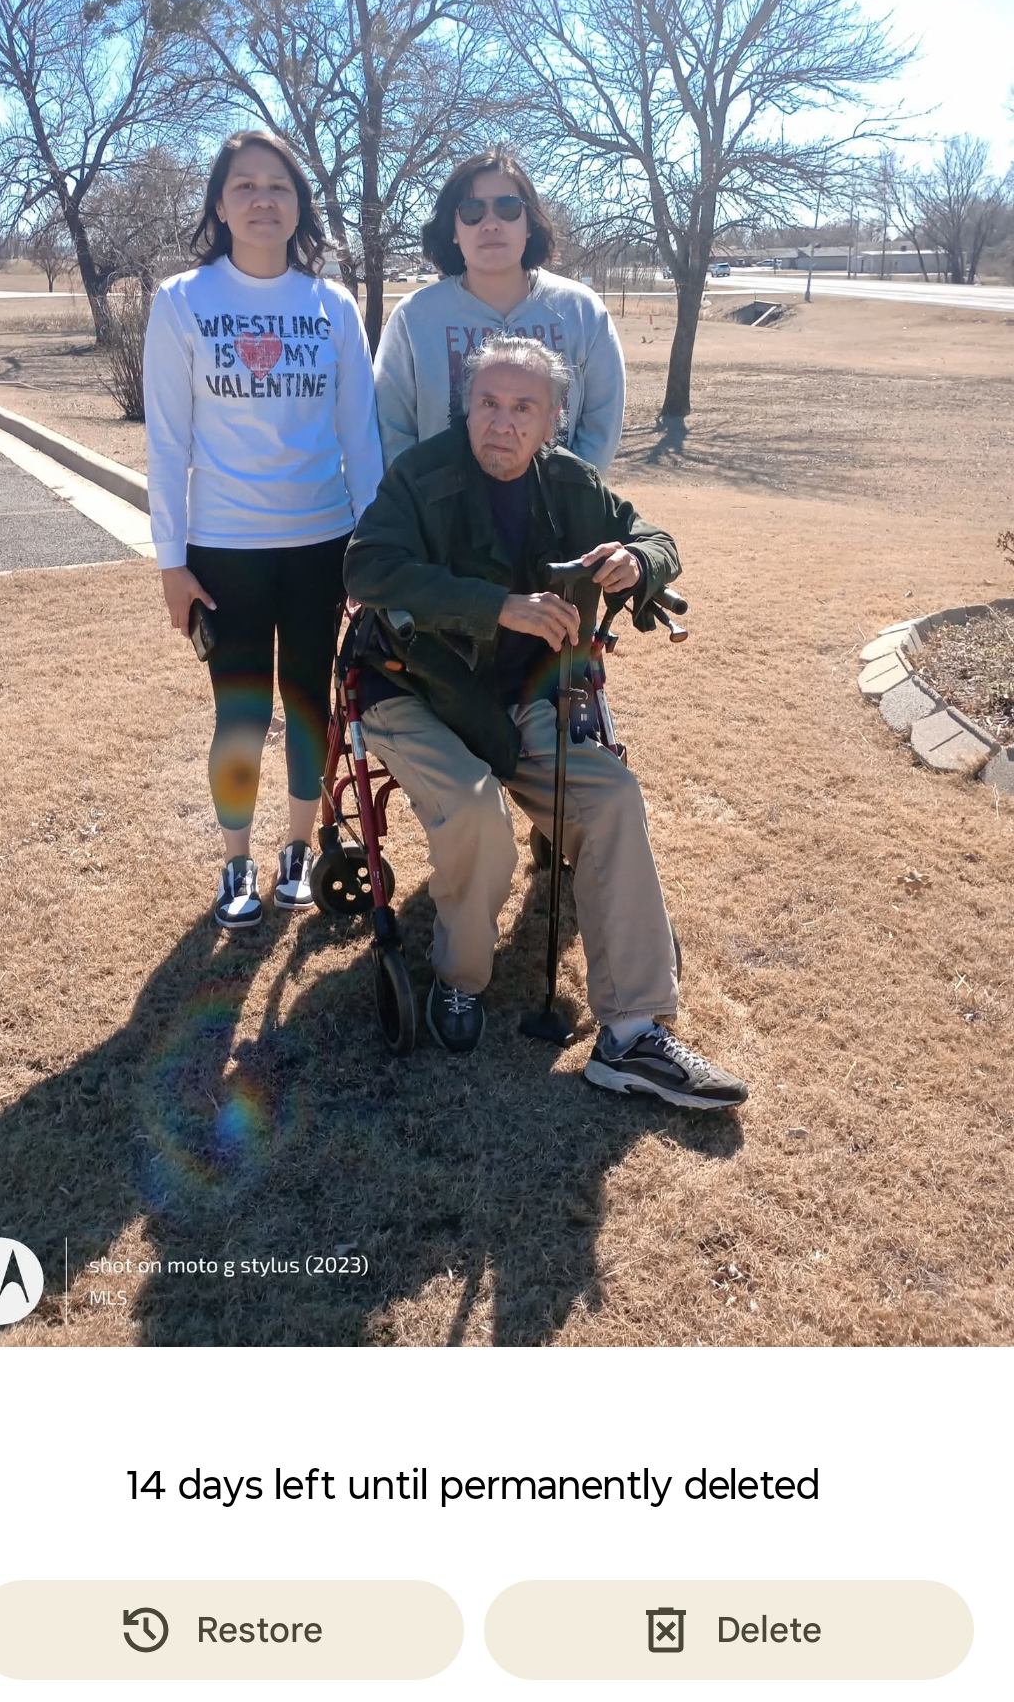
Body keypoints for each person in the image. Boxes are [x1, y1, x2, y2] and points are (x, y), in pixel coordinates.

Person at [344, 335, 747, 1109]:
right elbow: (368, 568)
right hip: (410, 686)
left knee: (613, 797)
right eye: (487, 403)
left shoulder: (571, 484)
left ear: (554, 418)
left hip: (519, 698)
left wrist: (639, 560)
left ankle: (632, 1033)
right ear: (467, 408)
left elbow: (655, 538)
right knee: (473, 810)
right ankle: (460, 980)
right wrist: (497, 606)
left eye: (523, 407)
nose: (501, 422)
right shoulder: (419, 476)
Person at [143, 129, 383, 930]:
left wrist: (373, 554)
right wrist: (171, 564)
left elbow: (361, 437)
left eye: (278, 185)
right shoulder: (183, 301)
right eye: (244, 185)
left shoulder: (332, 304)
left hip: (323, 544)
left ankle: (298, 853)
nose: (262, 199)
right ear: (219, 204)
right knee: (239, 713)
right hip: (224, 551)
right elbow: (169, 442)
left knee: (309, 702)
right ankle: (236, 860)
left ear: (299, 204)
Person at [372, 147, 626, 472]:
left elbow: (600, 424)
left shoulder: (582, 312)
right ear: (452, 230)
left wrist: (571, 501)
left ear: (529, 223)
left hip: (554, 516)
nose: (491, 223)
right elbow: (393, 431)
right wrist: (423, 508)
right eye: (472, 211)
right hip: (441, 516)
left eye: (507, 208)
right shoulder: (413, 318)